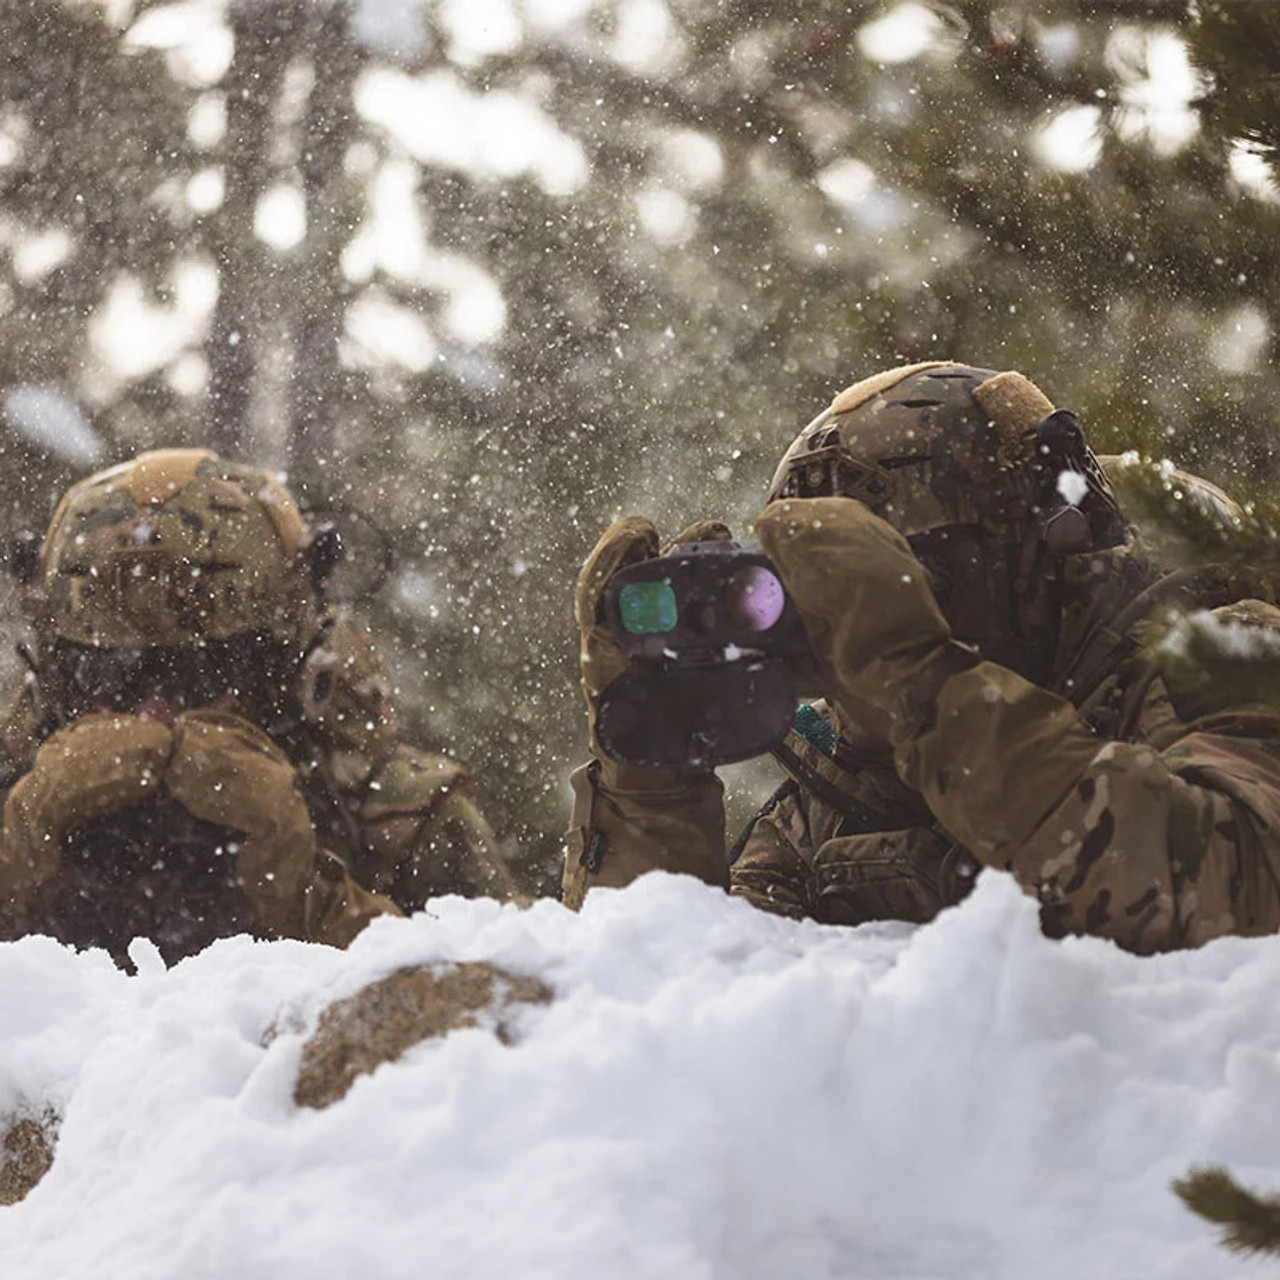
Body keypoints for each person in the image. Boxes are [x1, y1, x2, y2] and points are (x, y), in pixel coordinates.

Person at [563, 361, 1280, 954]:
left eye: (897, 579)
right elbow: (664, 1008)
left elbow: (1232, 894)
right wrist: (648, 789)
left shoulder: (1226, 658)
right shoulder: (837, 798)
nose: (848, 619)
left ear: (1023, 567)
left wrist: (924, 682)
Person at [0, 448, 512, 962]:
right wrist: (16, 859)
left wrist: (306, 896)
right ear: (57, 676)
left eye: (203, 674)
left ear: (292, 667)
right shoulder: (17, 793)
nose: (158, 713)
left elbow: (506, 1012)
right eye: (114, 676)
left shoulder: (398, 813)